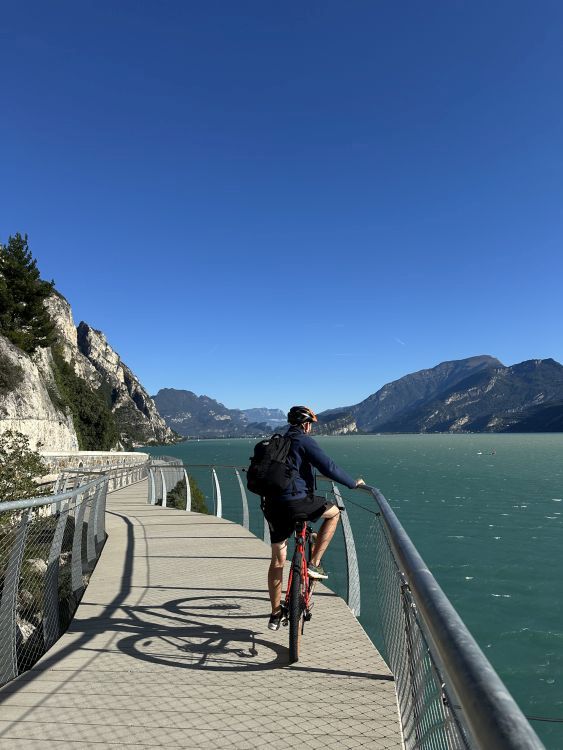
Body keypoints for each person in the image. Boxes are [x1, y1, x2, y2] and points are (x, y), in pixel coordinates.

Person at [262, 405, 365, 631]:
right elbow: (328, 466)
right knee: (334, 513)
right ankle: (314, 564)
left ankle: (275, 614)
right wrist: (352, 483)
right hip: (298, 501)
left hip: (272, 505)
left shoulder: (276, 442)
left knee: (278, 560)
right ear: (306, 424)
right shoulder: (303, 441)